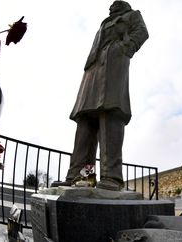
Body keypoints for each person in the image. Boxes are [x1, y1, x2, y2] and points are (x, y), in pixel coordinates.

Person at [52, 0, 148, 190]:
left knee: (110, 113)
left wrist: (124, 49)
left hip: (112, 64)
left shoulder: (132, 15)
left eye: (115, 4)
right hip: (93, 71)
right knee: (85, 121)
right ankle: (79, 175)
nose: (111, 6)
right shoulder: (104, 22)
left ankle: (111, 176)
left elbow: (142, 32)